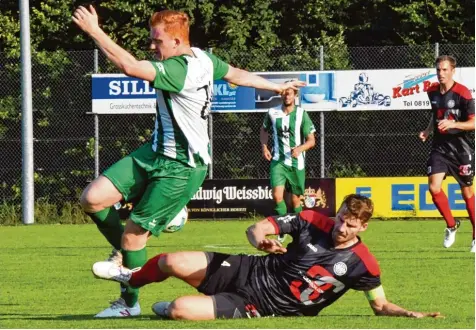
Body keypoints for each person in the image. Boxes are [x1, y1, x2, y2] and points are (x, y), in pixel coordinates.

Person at [72, 6, 305, 317]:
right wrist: (276, 86)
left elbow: (129, 66)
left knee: (132, 236)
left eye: (157, 41)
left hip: (182, 166)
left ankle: (128, 304)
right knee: (92, 199)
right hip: (156, 151)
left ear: (177, 42)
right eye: (151, 40)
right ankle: (137, 243)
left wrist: (94, 31)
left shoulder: (181, 69)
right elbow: (236, 74)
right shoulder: (203, 58)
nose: (152, 47)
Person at [92, 194, 441, 320]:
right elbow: (256, 229)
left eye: (350, 225)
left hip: (259, 305)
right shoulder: (310, 220)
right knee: (170, 261)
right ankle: (130, 280)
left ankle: (167, 307)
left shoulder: (364, 264)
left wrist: (410, 312)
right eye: (339, 220)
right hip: (247, 268)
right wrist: (263, 241)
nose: (340, 229)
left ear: (363, 227)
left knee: (180, 309)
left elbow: (379, 305)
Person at [419, 55, 475, 252]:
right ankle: (452, 225)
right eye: (438, 70)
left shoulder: (463, 93)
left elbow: (474, 122)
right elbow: (435, 114)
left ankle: (475, 235)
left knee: (467, 192)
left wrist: (454, 124)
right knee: (434, 188)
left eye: (444, 70)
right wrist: (428, 130)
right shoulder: (432, 91)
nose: (440, 73)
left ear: (453, 70)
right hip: (440, 148)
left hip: (461, 149)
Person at [260, 84, 316, 243]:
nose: (286, 96)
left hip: (296, 163)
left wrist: (300, 148)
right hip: (278, 161)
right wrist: (264, 147)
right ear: (281, 96)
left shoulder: (301, 114)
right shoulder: (272, 112)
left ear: (294, 96)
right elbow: (263, 130)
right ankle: (282, 229)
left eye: (289, 94)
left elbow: (311, 140)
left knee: (295, 201)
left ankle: (301, 230)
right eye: (284, 93)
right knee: (277, 196)